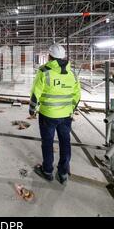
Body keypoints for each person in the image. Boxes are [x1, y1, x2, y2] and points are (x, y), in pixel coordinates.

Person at [29, 43, 81, 185]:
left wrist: (32, 109)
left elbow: (36, 92)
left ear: (49, 56)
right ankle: (63, 173)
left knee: (47, 143)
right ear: (63, 57)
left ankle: (47, 171)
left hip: (48, 115)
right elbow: (77, 95)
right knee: (65, 142)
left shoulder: (44, 71)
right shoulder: (72, 73)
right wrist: (70, 109)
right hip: (66, 116)